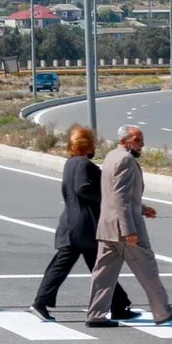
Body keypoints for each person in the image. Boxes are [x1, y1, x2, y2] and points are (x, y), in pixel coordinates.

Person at [29, 125, 135, 322]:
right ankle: (40, 303)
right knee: (92, 266)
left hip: (73, 225)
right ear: (86, 146)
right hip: (82, 227)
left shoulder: (70, 163)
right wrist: (105, 200)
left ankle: (119, 303)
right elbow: (82, 188)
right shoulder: (85, 165)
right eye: (92, 144)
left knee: (99, 266)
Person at [85, 124, 172, 328]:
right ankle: (162, 311)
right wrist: (129, 230)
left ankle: (96, 314)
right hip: (124, 229)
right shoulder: (125, 159)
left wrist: (142, 207)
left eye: (142, 141)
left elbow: (118, 195)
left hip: (108, 227)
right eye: (137, 140)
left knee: (103, 274)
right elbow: (121, 197)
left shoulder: (112, 156)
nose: (141, 145)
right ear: (124, 141)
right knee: (147, 268)